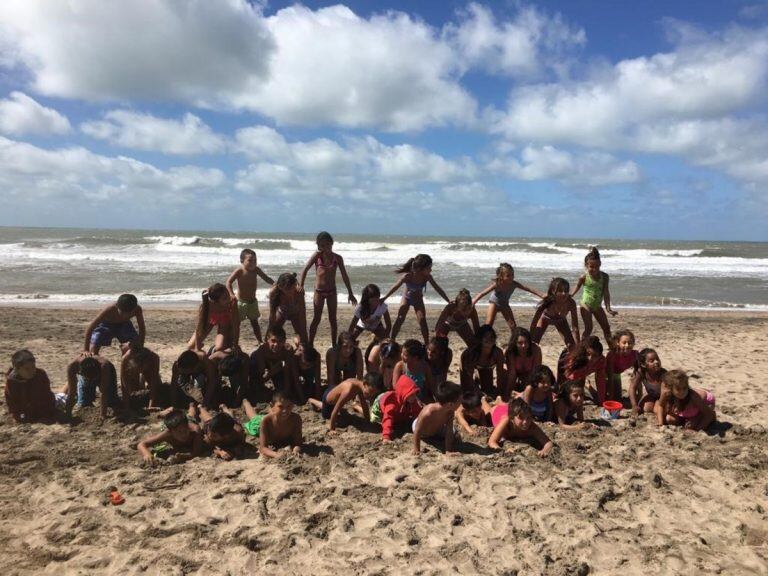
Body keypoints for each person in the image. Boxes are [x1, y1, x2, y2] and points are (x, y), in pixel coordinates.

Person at [300, 231, 357, 346]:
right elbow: (305, 269)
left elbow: (345, 276)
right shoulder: (317, 257)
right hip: (319, 292)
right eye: (322, 245)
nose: (325, 247)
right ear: (318, 246)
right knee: (316, 319)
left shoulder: (337, 258)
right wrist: (301, 286)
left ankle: (334, 345)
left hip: (332, 292)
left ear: (332, 243)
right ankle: (310, 343)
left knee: (333, 320)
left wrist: (350, 293)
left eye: (328, 244)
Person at [381, 254, 450, 344]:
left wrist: (448, 300)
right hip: (406, 298)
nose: (431, 270)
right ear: (420, 269)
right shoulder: (408, 276)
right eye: (429, 268)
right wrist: (384, 297)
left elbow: (437, 288)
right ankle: (392, 340)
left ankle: (426, 343)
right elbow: (396, 286)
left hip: (418, 300)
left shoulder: (427, 277)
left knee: (422, 321)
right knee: (400, 318)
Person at [472, 263, 545, 329]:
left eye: (512, 275)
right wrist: (474, 301)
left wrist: (541, 295)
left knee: (513, 326)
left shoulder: (514, 284)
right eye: (508, 276)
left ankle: (513, 343)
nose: (511, 277)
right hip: (494, 303)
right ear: (501, 276)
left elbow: (528, 289)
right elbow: (483, 293)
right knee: (488, 326)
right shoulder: (497, 284)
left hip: (504, 304)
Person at [226, 248, 274, 344]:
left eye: (255, 260)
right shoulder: (239, 270)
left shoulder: (256, 270)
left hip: (252, 302)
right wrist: (231, 294)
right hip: (240, 302)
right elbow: (228, 282)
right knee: (236, 324)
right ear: (242, 261)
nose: (253, 263)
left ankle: (260, 341)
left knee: (255, 323)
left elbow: (266, 278)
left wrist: (276, 284)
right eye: (250, 260)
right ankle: (234, 343)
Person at [571, 247, 617, 342]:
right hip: (586, 305)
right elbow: (576, 288)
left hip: (597, 306)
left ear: (600, 264)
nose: (594, 269)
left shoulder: (604, 277)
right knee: (589, 328)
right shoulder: (583, 277)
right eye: (591, 267)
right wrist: (569, 296)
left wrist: (608, 308)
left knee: (606, 328)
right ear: (586, 266)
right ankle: (581, 349)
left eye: (597, 266)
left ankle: (611, 349)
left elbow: (606, 292)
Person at [309, 373, 384, 432]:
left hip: (335, 389)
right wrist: (332, 429)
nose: (370, 395)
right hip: (328, 399)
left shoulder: (360, 386)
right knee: (327, 414)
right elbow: (337, 408)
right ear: (364, 384)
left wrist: (368, 421)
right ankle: (311, 400)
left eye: (373, 393)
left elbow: (364, 405)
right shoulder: (349, 390)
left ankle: (354, 406)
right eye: (370, 392)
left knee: (342, 410)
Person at [488, 397, 554, 458]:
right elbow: (492, 442)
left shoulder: (531, 426)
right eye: (521, 418)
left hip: (512, 411)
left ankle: (500, 400)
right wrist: (502, 451)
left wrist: (544, 451)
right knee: (488, 409)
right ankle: (488, 400)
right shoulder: (506, 422)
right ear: (512, 418)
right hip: (497, 412)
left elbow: (548, 443)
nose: (525, 422)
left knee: (511, 407)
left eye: (528, 418)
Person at [249, 326, 301, 403]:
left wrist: (286, 392)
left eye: (280, 341)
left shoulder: (287, 350)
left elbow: (287, 372)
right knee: (256, 390)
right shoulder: (260, 353)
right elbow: (261, 378)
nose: (276, 344)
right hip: (265, 371)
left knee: (285, 390)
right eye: (273, 341)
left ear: (284, 341)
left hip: (278, 368)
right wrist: (270, 373)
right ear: (267, 340)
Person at [5, 349, 57, 424]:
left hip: (46, 405)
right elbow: (11, 402)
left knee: (61, 398)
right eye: (27, 369)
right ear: (17, 370)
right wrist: (16, 415)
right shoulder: (12, 382)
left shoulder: (40, 375)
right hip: (27, 408)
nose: (32, 371)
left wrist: (45, 414)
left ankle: (68, 385)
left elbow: (47, 396)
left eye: (33, 367)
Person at [136, 409, 203, 464]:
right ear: (171, 432)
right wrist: (147, 454)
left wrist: (185, 456)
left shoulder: (195, 431)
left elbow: (197, 451)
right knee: (188, 415)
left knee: (191, 415)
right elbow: (141, 444)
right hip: (179, 422)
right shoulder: (167, 434)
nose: (183, 434)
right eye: (179, 432)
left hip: (189, 421)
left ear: (187, 427)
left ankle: (193, 407)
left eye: (185, 431)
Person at [412, 381, 462, 455]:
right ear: (450, 404)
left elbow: (449, 431)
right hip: (422, 430)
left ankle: (436, 436)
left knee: (454, 433)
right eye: (459, 401)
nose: (461, 404)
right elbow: (417, 430)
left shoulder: (450, 412)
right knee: (422, 430)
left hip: (436, 429)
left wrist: (448, 450)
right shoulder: (428, 412)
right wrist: (417, 449)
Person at [530, 277, 579, 351]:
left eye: (566, 291)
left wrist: (577, 345)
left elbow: (575, 326)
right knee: (534, 344)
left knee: (572, 346)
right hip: (545, 319)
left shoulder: (571, 303)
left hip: (561, 320)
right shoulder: (547, 302)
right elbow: (534, 323)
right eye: (560, 291)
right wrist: (530, 338)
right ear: (553, 291)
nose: (564, 293)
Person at [63, 354, 119, 418]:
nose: (91, 381)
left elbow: (104, 392)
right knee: (84, 404)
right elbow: (71, 392)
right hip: (86, 375)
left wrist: (102, 415)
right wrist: (68, 413)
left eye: (93, 378)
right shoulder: (72, 367)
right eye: (89, 379)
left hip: (107, 371)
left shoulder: (104, 366)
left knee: (111, 402)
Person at [371, 374, 423, 442]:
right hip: (380, 410)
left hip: (400, 406)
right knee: (375, 422)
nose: (414, 396)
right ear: (404, 393)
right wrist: (386, 436)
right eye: (412, 394)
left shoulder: (412, 400)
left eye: (415, 393)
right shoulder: (391, 403)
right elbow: (387, 418)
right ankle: (358, 408)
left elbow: (417, 413)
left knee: (401, 420)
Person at [188, 283, 239, 352]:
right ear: (215, 302)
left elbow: (236, 325)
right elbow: (199, 326)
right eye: (224, 298)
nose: (228, 299)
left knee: (219, 348)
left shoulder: (232, 302)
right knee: (190, 346)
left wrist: (235, 344)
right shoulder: (207, 305)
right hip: (210, 321)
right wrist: (197, 348)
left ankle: (212, 350)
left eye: (228, 295)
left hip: (224, 321)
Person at [557, 336, 607, 404]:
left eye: (594, 356)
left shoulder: (601, 361)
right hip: (566, 363)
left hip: (584, 370)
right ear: (585, 351)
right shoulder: (576, 360)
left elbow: (600, 380)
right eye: (588, 354)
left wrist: (602, 400)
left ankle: (585, 387)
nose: (590, 358)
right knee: (561, 388)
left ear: (600, 356)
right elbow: (570, 380)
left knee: (581, 383)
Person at [460, 325, 504, 397]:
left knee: (488, 390)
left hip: (487, 368)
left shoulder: (498, 353)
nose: (489, 339)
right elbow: (469, 376)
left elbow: (500, 374)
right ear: (480, 339)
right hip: (467, 365)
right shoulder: (472, 353)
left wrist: (498, 392)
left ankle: (478, 378)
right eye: (486, 337)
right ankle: (477, 379)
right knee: (466, 389)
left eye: (491, 337)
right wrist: (476, 391)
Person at [258, 391, 303, 458]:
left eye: (288, 406)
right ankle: (246, 402)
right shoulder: (266, 421)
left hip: (273, 414)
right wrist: (276, 454)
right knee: (253, 417)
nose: (285, 410)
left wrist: (296, 449)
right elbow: (262, 448)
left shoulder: (296, 419)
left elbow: (298, 443)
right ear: (272, 406)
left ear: (293, 405)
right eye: (280, 406)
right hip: (258, 426)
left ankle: (271, 410)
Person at [119, 342, 162, 410]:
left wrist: (150, 405)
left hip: (147, 362)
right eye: (136, 371)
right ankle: (139, 385)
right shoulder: (125, 360)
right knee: (133, 389)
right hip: (128, 352)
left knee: (159, 386)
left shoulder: (154, 358)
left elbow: (154, 384)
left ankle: (142, 383)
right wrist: (126, 409)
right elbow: (124, 386)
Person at [268, 272, 308, 344]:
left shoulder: (299, 292)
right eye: (288, 290)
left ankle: (295, 339)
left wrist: (304, 337)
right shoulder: (274, 292)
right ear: (280, 287)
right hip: (282, 312)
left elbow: (303, 316)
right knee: (274, 334)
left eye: (293, 288)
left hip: (296, 313)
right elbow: (272, 316)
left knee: (302, 341)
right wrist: (269, 336)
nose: (292, 292)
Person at [504, 327, 542, 397]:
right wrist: (508, 392)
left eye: (526, 342)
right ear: (515, 343)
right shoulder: (510, 351)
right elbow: (512, 373)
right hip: (515, 373)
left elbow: (536, 371)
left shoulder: (535, 349)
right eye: (520, 343)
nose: (523, 345)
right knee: (505, 374)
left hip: (530, 373)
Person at [629, 348, 666, 417]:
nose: (656, 362)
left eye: (657, 359)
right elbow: (632, 388)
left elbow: (666, 393)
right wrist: (634, 405)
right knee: (646, 408)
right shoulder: (641, 372)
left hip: (663, 397)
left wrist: (660, 403)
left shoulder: (663, 374)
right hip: (652, 395)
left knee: (656, 410)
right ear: (643, 365)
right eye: (652, 361)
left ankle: (656, 403)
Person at [606, 329, 638, 402]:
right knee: (605, 397)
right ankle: (589, 386)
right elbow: (610, 376)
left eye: (630, 343)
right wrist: (610, 398)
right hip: (605, 376)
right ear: (618, 343)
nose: (627, 345)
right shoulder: (612, 355)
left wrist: (639, 397)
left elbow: (638, 375)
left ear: (633, 344)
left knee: (617, 398)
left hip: (617, 374)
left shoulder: (635, 355)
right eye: (624, 342)